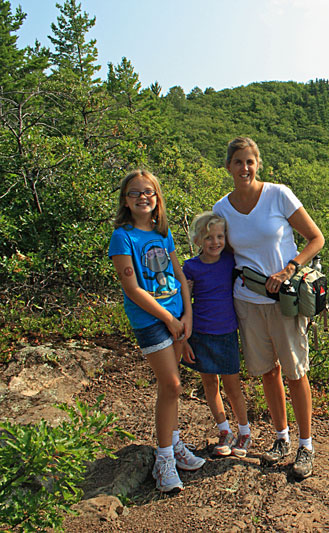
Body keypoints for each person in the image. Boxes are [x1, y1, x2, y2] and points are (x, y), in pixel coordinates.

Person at [213, 137, 324, 479]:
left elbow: (316, 237)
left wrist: (289, 268)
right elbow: (220, 251)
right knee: (267, 371)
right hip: (246, 300)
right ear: (229, 166)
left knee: (295, 373)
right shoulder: (222, 208)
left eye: (250, 161)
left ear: (258, 163)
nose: (244, 168)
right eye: (238, 162)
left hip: (284, 301)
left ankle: (306, 446)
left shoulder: (278, 194)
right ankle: (281, 438)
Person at [109, 169, 206, 493]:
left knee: (170, 387)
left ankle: (173, 443)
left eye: (148, 192)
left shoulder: (162, 233)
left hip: (178, 316)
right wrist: (170, 319)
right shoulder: (123, 237)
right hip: (151, 321)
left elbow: (179, 276)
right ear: (126, 200)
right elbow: (133, 289)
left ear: (157, 197)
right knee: (173, 384)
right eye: (135, 193)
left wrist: (187, 314)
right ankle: (163, 460)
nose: (142, 198)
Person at [181, 212, 251, 457]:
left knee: (233, 387)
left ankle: (244, 433)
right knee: (210, 384)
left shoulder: (230, 261)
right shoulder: (190, 267)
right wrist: (184, 340)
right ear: (198, 239)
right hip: (201, 333)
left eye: (220, 236)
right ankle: (224, 431)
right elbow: (184, 304)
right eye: (209, 237)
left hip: (226, 333)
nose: (215, 242)